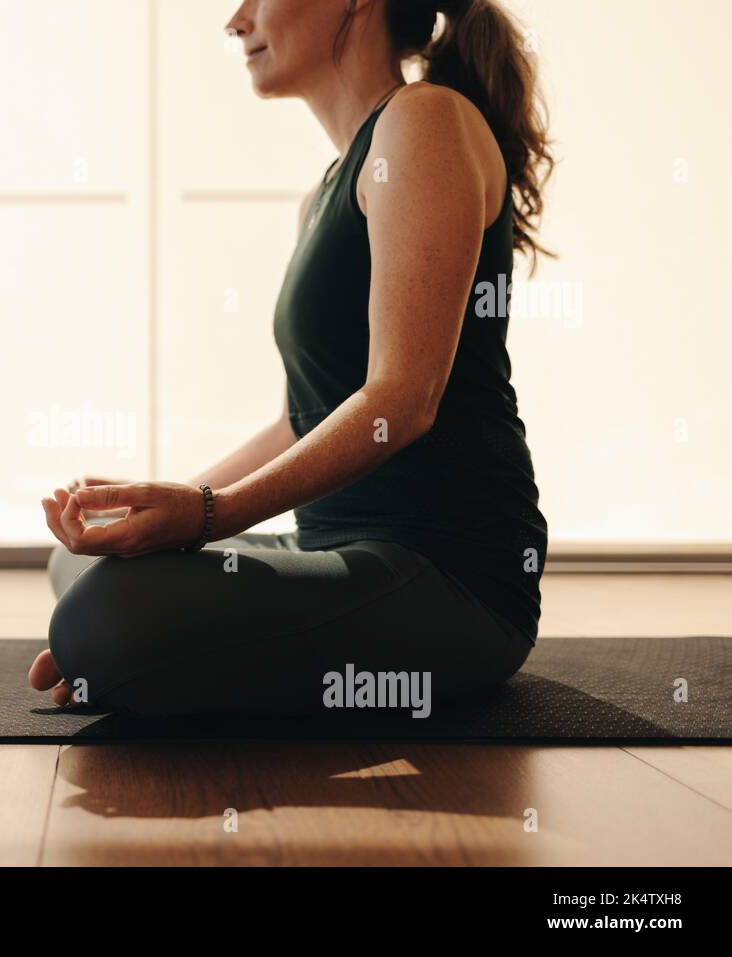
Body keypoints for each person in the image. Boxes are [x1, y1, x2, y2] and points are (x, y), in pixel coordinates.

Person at [31, 0, 553, 718]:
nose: (235, 19)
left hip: (448, 573)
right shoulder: (320, 197)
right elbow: (297, 422)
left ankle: (148, 649)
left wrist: (208, 517)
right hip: (332, 548)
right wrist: (155, 511)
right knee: (84, 561)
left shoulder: (425, 120)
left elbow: (401, 399)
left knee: (101, 618)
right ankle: (163, 647)